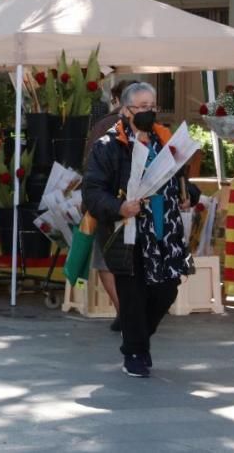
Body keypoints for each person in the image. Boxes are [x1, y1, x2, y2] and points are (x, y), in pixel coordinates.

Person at [83, 82, 199, 378]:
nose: (149, 111)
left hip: (165, 231)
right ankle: (134, 351)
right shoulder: (109, 146)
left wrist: (190, 195)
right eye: (142, 107)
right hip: (128, 232)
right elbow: (93, 192)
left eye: (152, 106)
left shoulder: (165, 140)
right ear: (125, 110)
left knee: (166, 290)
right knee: (132, 295)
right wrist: (119, 207)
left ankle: (138, 338)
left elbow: (180, 181)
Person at [84, 79, 133, 332]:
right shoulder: (156, 130)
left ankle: (124, 311)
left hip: (108, 205)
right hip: (127, 205)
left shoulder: (102, 125)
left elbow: (88, 166)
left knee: (105, 260)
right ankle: (129, 312)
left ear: (116, 99)